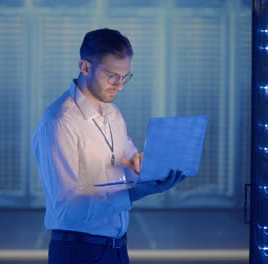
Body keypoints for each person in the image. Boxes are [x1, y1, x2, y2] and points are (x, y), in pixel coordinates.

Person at [32, 28, 186, 264]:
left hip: (116, 248)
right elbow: (67, 209)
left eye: (125, 77)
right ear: (85, 67)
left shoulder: (112, 113)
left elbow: (127, 162)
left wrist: (144, 169)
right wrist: (135, 193)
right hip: (78, 251)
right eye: (113, 76)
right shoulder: (60, 121)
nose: (120, 85)